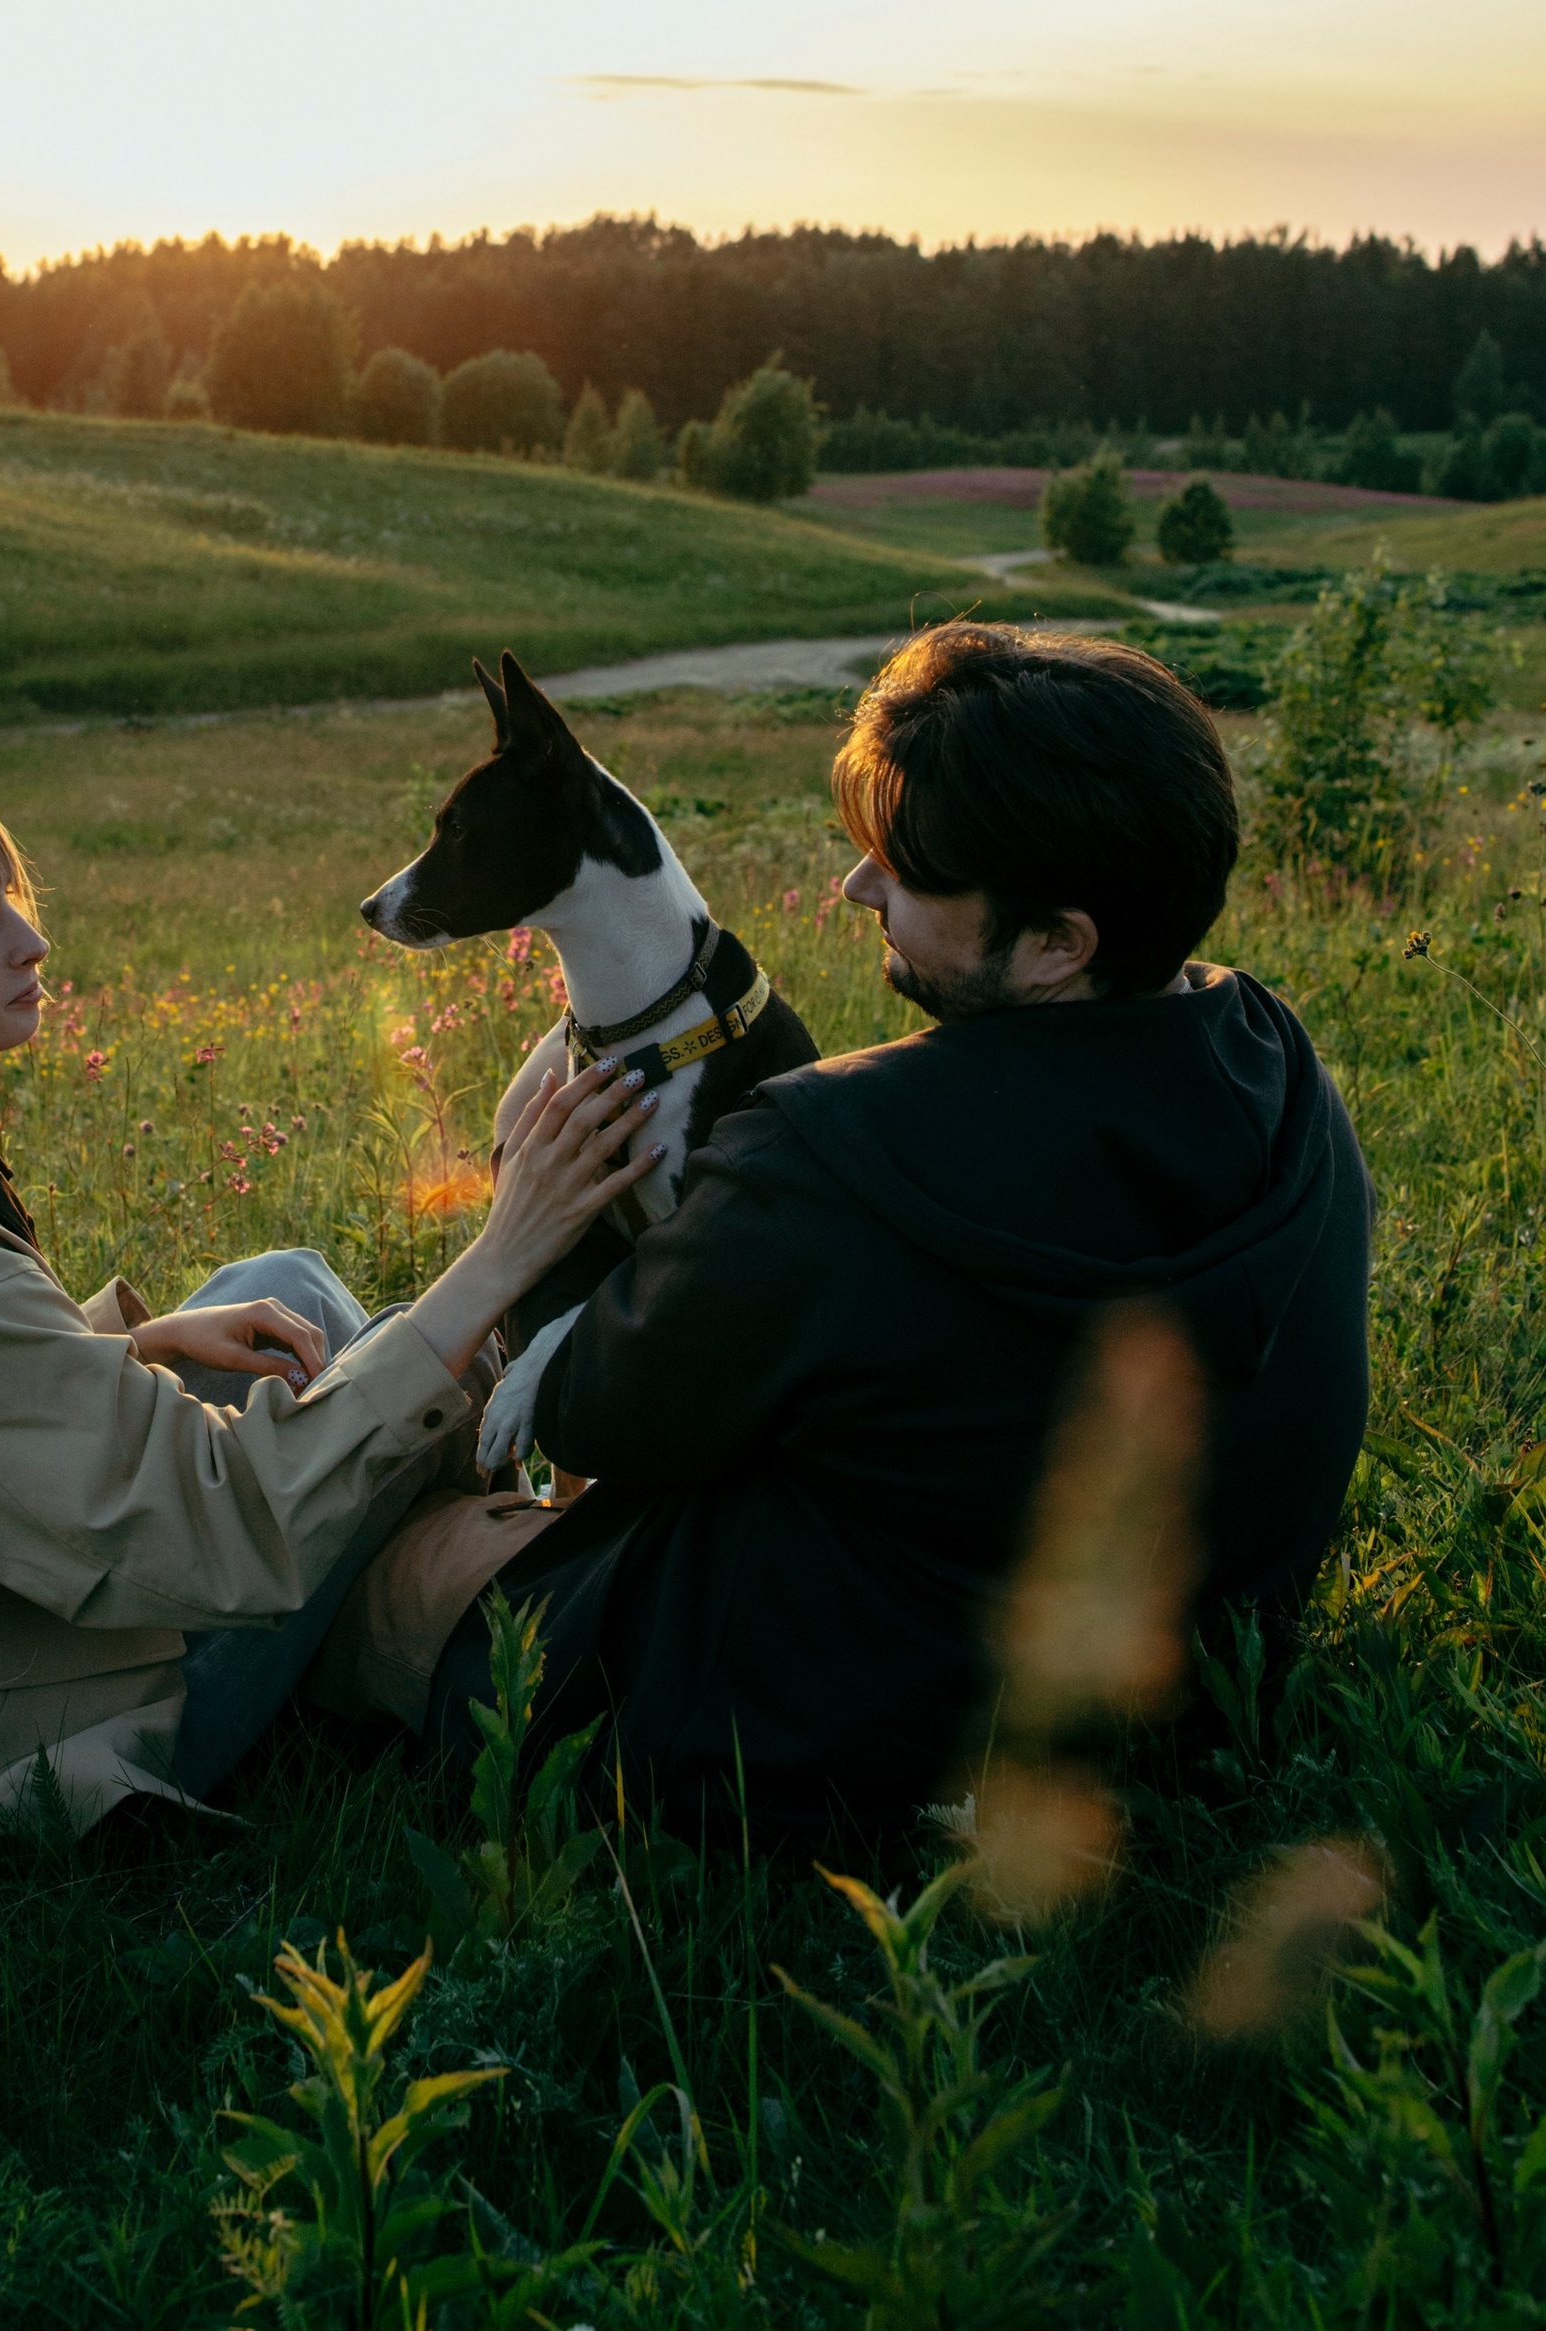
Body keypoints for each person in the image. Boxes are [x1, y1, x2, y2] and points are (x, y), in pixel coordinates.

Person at [420, 623, 1374, 1834]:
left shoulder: (828, 1162)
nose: (856, 887)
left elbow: (584, 1413)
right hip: (1177, 1698)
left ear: (1054, 942)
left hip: (781, 1733)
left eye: (906, 869)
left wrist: (533, 1203)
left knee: (389, 1550)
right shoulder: (1277, 1068)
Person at [0, 760, 657, 1828]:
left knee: (278, 1290)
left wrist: (134, 1348)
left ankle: (476, 1535)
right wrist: (500, 1259)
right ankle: (546, 1584)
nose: (29, 941)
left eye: (11, 898)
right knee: (380, 1370)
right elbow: (233, 1535)